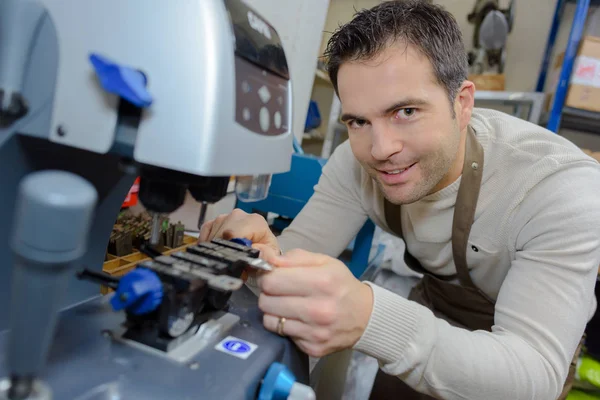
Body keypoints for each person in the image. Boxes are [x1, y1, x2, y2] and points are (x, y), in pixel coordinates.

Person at [199, 1, 600, 399]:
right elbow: (296, 252)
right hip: (432, 313)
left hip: (518, 353)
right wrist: (263, 255)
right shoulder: (354, 164)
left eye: (405, 111)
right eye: (358, 121)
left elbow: (531, 375)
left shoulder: (559, 189)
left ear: (461, 104)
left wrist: (370, 317)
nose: (380, 148)